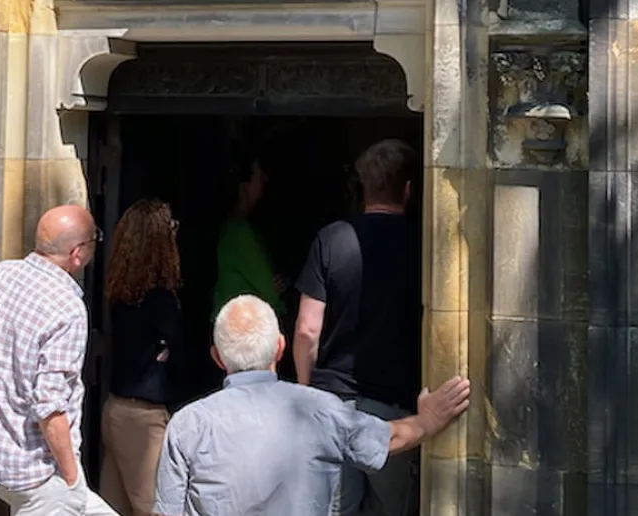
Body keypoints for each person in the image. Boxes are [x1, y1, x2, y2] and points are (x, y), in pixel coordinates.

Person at [153, 296, 469, 516]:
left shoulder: (187, 425)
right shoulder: (318, 411)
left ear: (218, 358)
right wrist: (429, 419)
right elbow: (388, 438)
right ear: (280, 347)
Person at [0, 205, 118, 515]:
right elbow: (49, 405)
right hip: (40, 473)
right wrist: (71, 477)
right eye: (93, 240)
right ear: (77, 253)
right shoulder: (67, 306)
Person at [293, 140, 423, 516]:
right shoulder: (422, 244)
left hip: (332, 404)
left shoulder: (331, 238)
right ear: (409, 189)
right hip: (394, 411)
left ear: (363, 186)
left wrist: (305, 393)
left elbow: (306, 329)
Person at [99, 200, 186, 516]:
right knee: (154, 509)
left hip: (115, 409)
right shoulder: (160, 300)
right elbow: (181, 353)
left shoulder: (121, 295)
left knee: (112, 508)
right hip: (143, 418)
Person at [211, 158, 285, 320]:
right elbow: (271, 293)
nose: (265, 178)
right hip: (242, 330)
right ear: (243, 185)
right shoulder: (239, 233)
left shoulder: (237, 227)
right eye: (258, 174)